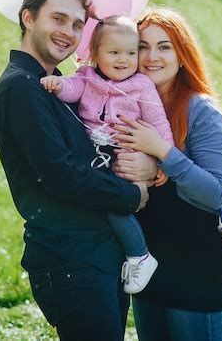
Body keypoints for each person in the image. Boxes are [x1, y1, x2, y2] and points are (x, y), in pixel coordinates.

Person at [0, 0, 156, 341]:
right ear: (29, 18)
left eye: (78, 24)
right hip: (70, 260)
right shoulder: (21, 87)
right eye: (58, 19)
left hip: (97, 255)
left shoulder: (54, 84)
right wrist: (131, 196)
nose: (68, 32)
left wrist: (149, 164)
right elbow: (61, 174)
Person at [112, 7, 222, 341]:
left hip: (195, 269)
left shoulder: (201, 110)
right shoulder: (128, 104)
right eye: (142, 46)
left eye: (164, 46)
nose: (152, 56)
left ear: (182, 55)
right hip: (149, 266)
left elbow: (216, 194)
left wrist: (162, 154)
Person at [41, 15, 174, 294]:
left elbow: (159, 122)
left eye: (130, 52)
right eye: (114, 52)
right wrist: (59, 85)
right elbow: (72, 89)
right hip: (97, 157)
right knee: (99, 202)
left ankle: (140, 255)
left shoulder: (141, 86)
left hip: (129, 159)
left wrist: (166, 159)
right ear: (95, 54)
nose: (123, 59)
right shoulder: (87, 78)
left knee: (117, 205)